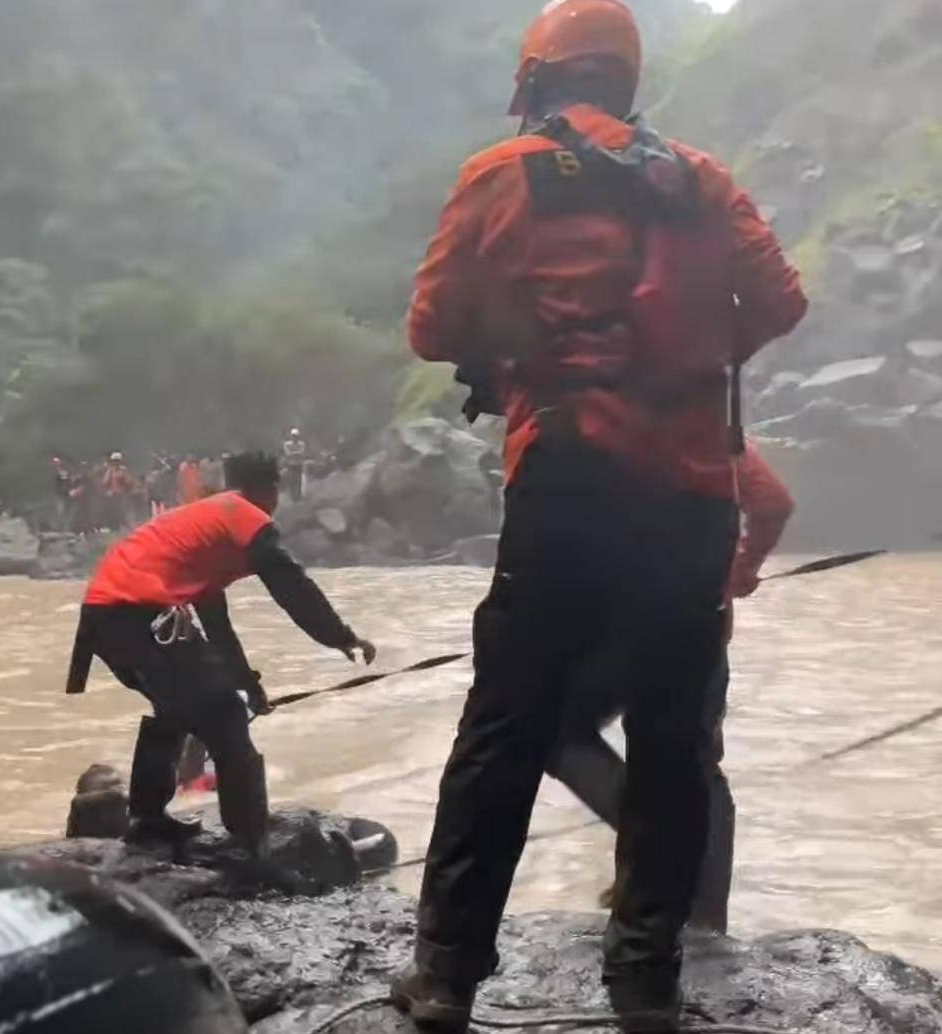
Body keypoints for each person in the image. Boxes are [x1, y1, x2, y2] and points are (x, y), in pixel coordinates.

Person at [388, 2, 807, 1030]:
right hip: (693, 492)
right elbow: (783, 301)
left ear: (537, 79)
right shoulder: (703, 179)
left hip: (567, 477)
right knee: (672, 737)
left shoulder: (503, 172)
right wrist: (699, 347)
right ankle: (647, 981)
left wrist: (530, 338)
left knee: (506, 723)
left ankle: (446, 974)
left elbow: (431, 324)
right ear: (625, 83)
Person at [64, 451, 377, 855]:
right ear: (270, 490)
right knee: (223, 713)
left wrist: (248, 684)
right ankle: (249, 840)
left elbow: (217, 629)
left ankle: (148, 821)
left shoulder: (207, 527)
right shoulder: (247, 517)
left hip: (105, 615)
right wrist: (343, 637)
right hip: (136, 609)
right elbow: (291, 586)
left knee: (177, 707)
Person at [548, 441, 795, 935]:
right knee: (697, 764)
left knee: (557, 735)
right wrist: (738, 573)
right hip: (701, 627)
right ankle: (704, 916)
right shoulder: (708, 423)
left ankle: (653, 857)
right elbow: (772, 501)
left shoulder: (600, 421)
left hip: (612, 630)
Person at [101, 452, 135, 530]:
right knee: (112, 511)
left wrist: (123, 479)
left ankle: (124, 526)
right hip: (112, 494)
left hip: (121, 493)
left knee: (121, 511)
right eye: (114, 461)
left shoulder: (123, 470)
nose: (115, 463)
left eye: (117, 461)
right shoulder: (110, 470)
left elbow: (128, 481)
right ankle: (113, 527)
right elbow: (105, 481)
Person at [281, 428, 307, 501]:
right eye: (293, 436)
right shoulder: (286, 444)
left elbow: (302, 453)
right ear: (291, 436)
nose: (294, 437)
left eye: (296, 436)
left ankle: (298, 496)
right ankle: (293, 497)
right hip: (291, 465)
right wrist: (296, 453)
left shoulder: (302, 444)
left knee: (299, 481)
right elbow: (287, 454)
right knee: (292, 481)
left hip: (298, 465)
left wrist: (293, 453)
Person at [53, 457, 73, 531]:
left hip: (63, 494)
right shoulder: (54, 471)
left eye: (57, 462)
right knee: (60, 510)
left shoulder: (64, 471)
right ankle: (59, 526)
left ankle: (63, 527)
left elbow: (67, 482)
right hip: (58, 494)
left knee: (63, 510)